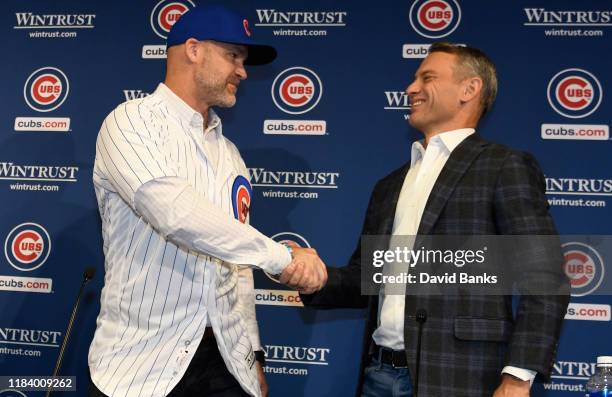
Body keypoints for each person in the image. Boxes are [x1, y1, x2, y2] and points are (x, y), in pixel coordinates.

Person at [300, 43, 569, 397]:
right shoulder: (390, 184)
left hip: (461, 379)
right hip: (378, 375)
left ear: (469, 89)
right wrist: (310, 276)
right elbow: (364, 278)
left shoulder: (504, 166)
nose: (411, 88)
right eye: (413, 79)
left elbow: (546, 277)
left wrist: (518, 376)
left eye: (427, 77)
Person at [88, 6, 326, 397]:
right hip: (141, 367)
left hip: (225, 364)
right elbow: (174, 212)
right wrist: (283, 258)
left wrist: (254, 356)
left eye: (244, 60)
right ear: (194, 49)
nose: (243, 71)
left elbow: (237, 261)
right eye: (233, 55)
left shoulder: (230, 154)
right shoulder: (130, 122)